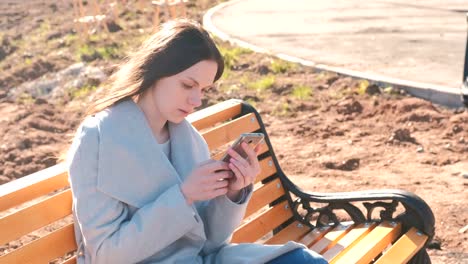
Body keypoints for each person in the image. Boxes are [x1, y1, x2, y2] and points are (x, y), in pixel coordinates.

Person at [67, 19, 327, 264]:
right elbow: (105, 255)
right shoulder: (98, 137)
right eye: (187, 85)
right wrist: (183, 196)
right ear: (156, 71)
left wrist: (232, 192)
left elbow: (211, 243)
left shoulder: (187, 138)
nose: (196, 101)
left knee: (306, 261)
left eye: (203, 90)